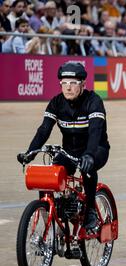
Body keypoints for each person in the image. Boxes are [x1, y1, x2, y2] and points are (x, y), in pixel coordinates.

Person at [17, 62, 110, 231]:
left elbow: (95, 131)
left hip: (96, 149)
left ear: (83, 84)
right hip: (69, 151)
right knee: (48, 179)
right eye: (64, 83)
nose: (68, 88)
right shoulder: (56, 103)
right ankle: (50, 221)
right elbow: (44, 130)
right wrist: (30, 152)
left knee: (87, 169)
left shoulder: (94, 101)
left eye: (73, 83)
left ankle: (90, 210)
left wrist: (89, 154)